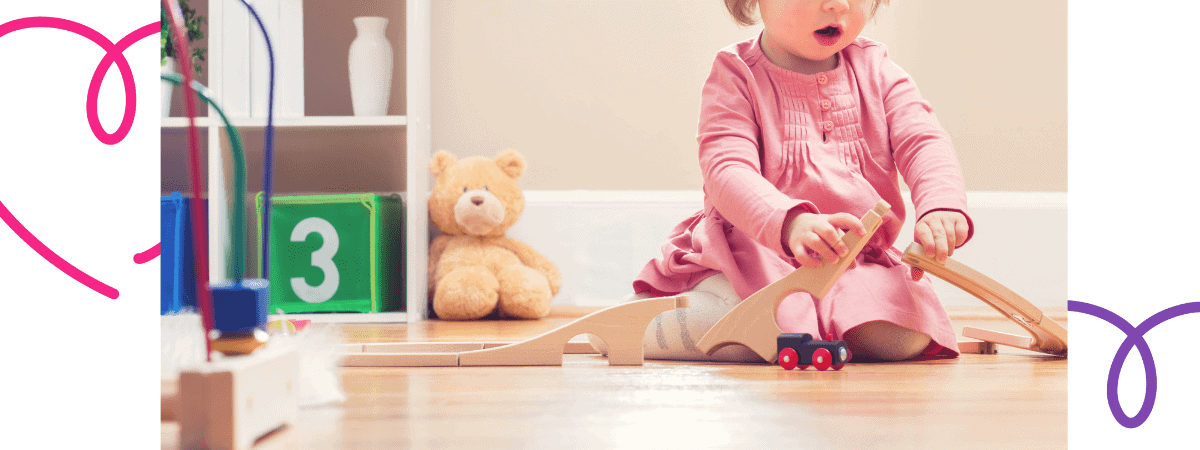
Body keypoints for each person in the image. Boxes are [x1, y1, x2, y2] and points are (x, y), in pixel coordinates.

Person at [592, 0, 972, 363]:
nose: (837, 6)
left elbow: (923, 142)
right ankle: (630, 326)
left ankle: (819, 323)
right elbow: (727, 168)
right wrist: (791, 222)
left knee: (904, 335)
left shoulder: (879, 71)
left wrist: (940, 206)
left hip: (852, 260)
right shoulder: (737, 74)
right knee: (759, 333)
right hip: (757, 253)